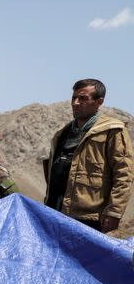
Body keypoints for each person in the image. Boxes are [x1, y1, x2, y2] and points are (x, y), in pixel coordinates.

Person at [44, 78, 133, 233]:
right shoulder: (62, 133)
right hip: (55, 212)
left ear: (99, 102)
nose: (75, 103)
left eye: (83, 98)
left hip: (89, 218)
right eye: (74, 98)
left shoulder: (112, 130)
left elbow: (124, 174)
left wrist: (114, 211)